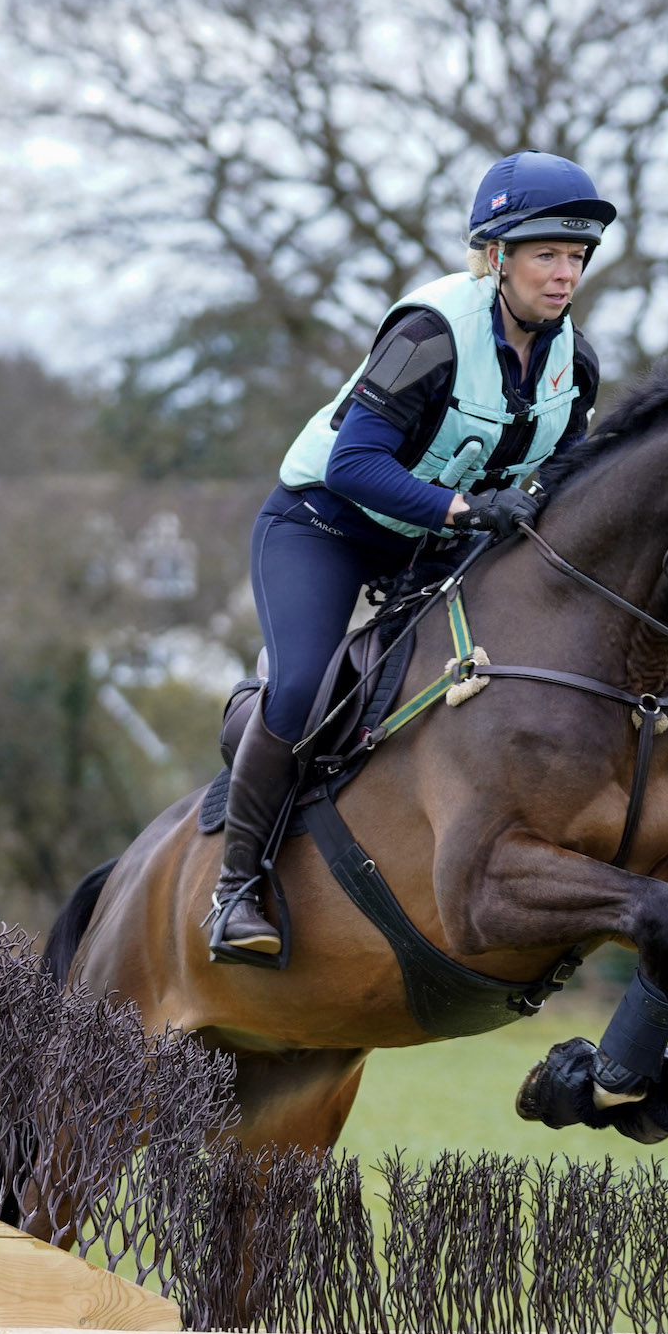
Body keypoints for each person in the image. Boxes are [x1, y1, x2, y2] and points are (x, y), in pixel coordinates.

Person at [209, 150, 616, 962]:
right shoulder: (427, 334)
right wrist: (467, 509)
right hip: (325, 526)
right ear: (495, 257)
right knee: (302, 687)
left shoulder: (576, 364)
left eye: (576, 257)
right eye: (546, 255)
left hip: (432, 545)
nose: (565, 275)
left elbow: (562, 481)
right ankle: (235, 889)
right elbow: (352, 466)